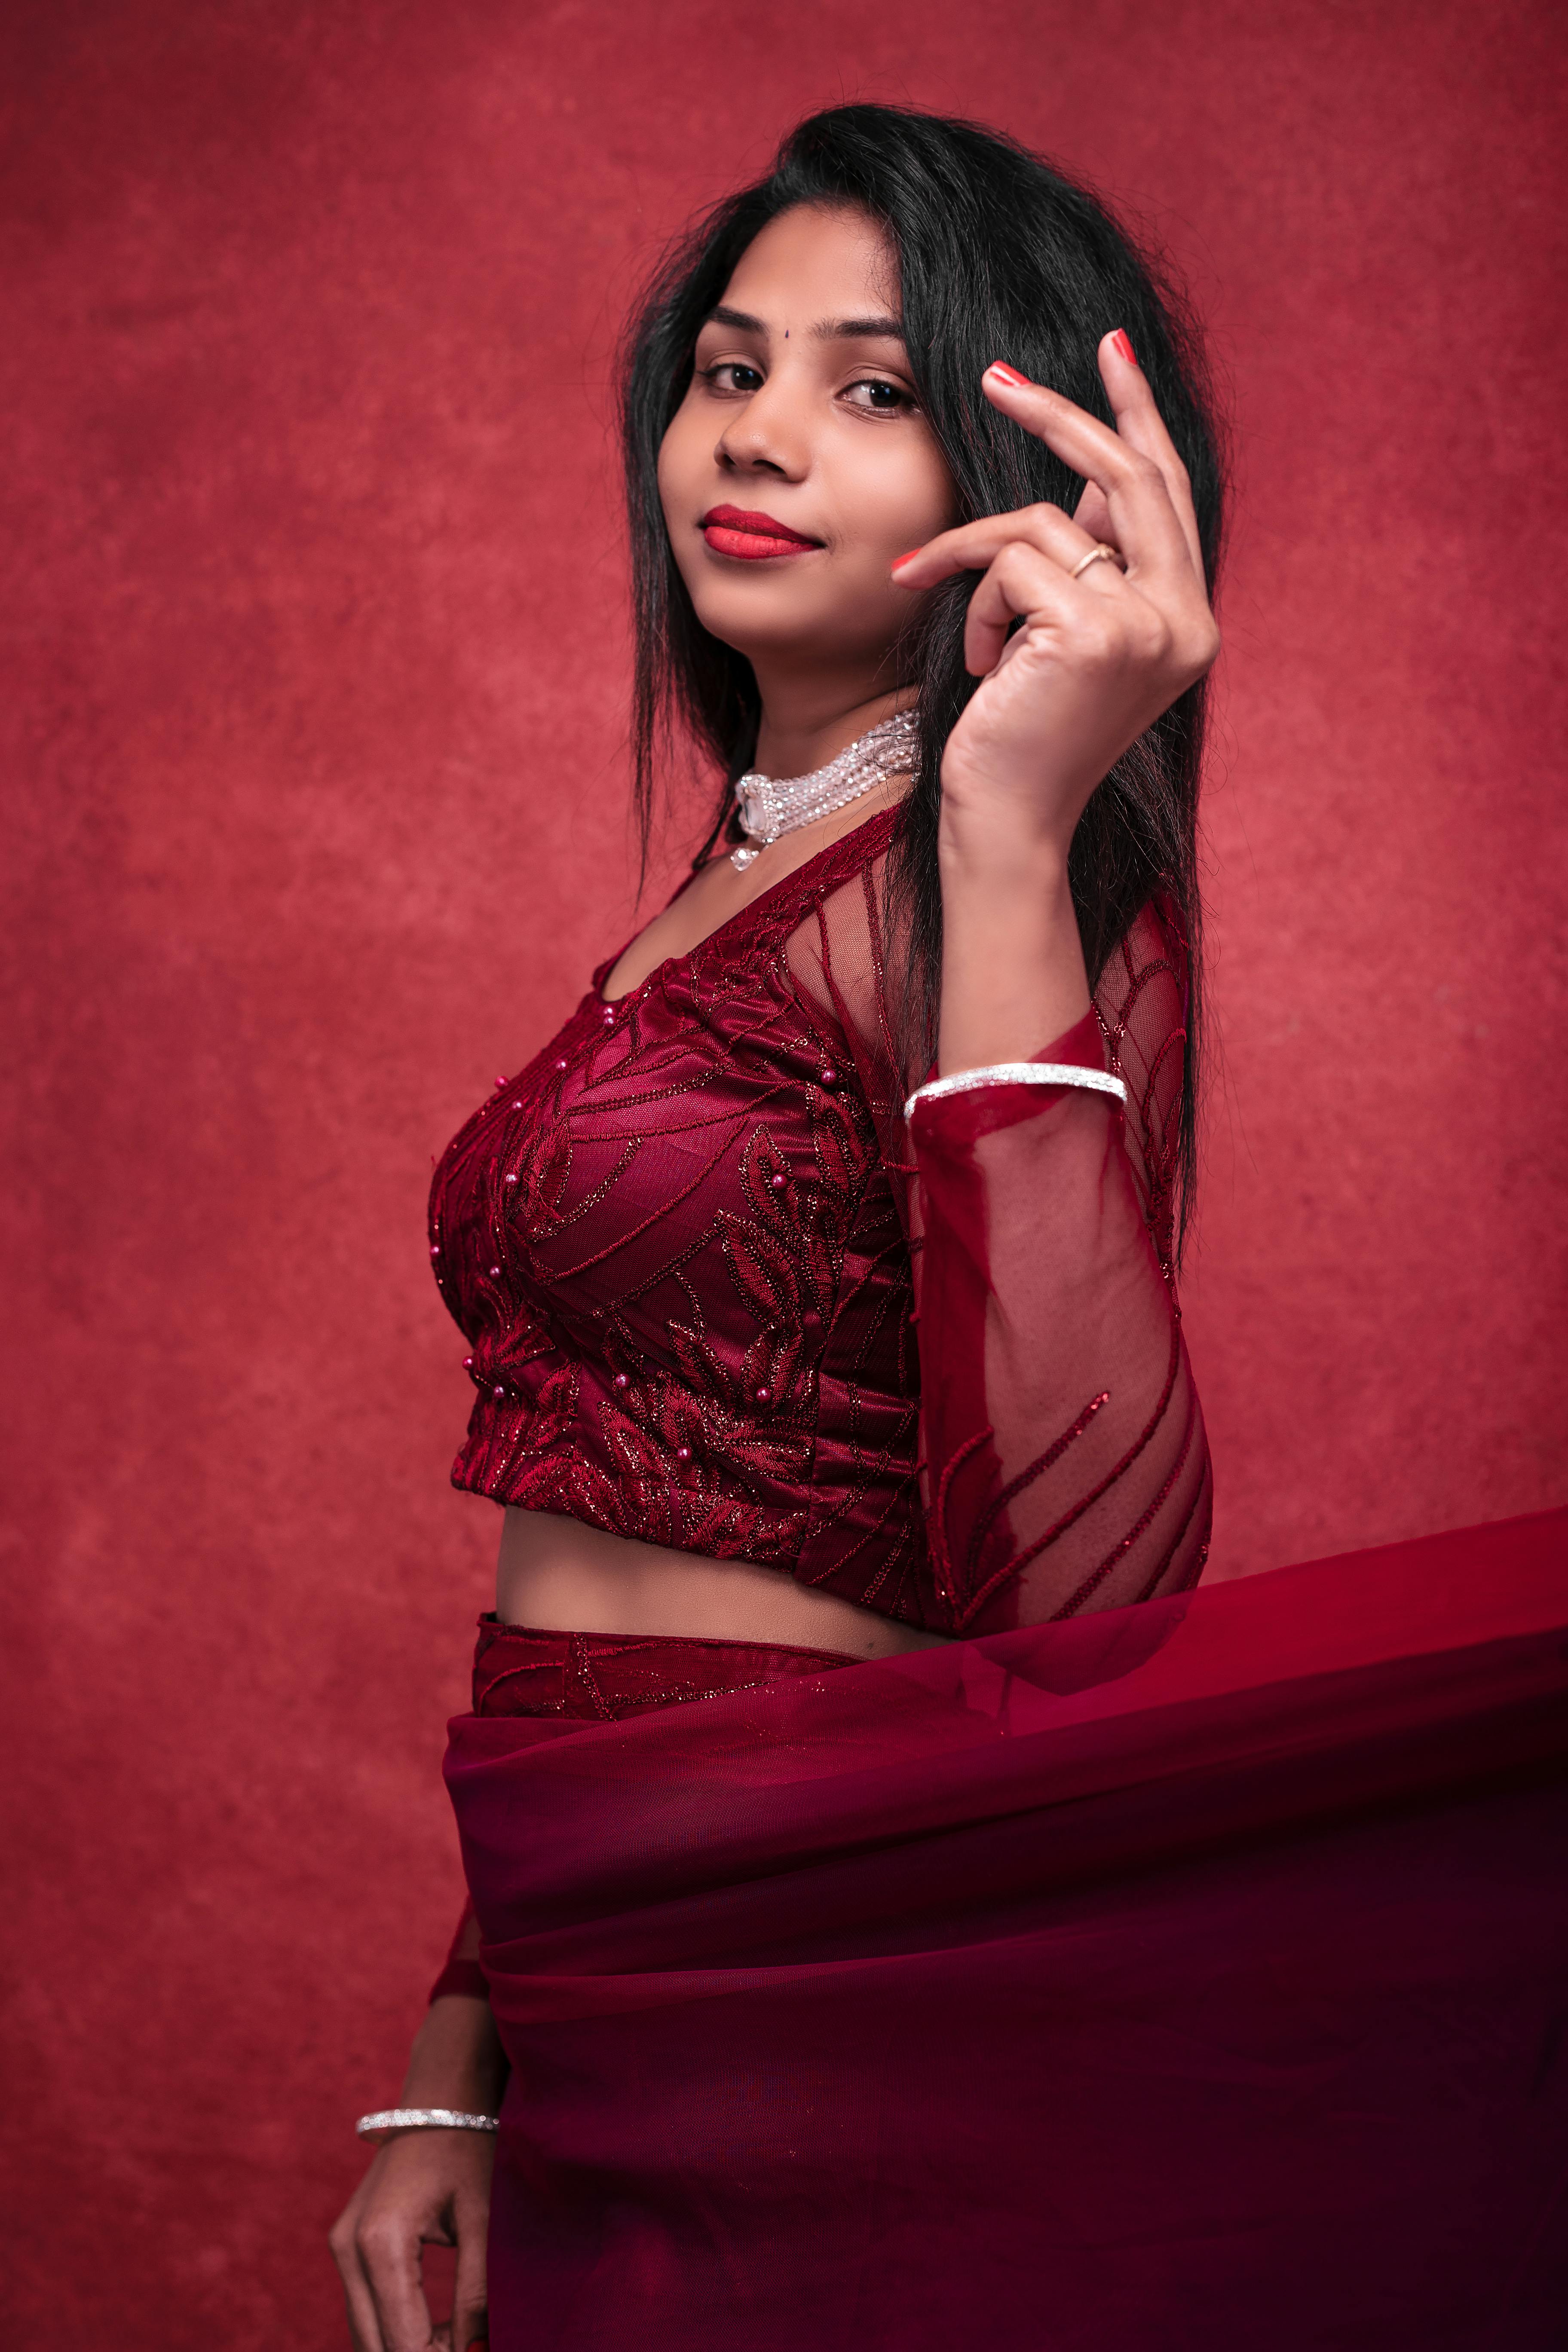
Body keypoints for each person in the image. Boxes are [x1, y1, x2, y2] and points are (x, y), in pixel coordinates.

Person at [331, 98, 1225, 2350]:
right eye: (730, 372)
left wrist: (1014, 833)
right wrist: (459, 2064)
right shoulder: (740, 883)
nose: (762, 439)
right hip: (582, 1937)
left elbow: (1093, 1607)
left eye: (875, 389)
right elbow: (599, 1506)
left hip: (822, 1950)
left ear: (1028, 482)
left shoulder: (1010, 884)